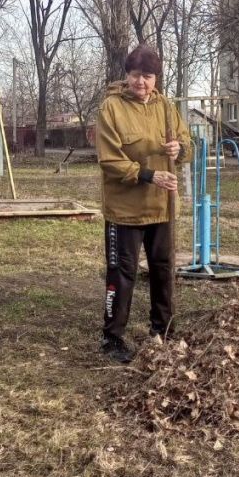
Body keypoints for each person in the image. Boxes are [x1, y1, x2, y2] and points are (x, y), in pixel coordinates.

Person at [95, 45, 191, 363]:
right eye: (136, 75)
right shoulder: (111, 108)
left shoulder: (165, 107)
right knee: (123, 272)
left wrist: (180, 149)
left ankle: (163, 331)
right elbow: (109, 161)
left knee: (163, 270)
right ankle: (113, 339)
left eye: (148, 76)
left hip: (162, 207)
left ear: (156, 79)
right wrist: (149, 175)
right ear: (127, 75)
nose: (141, 83)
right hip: (125, 210)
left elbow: (186, 141)